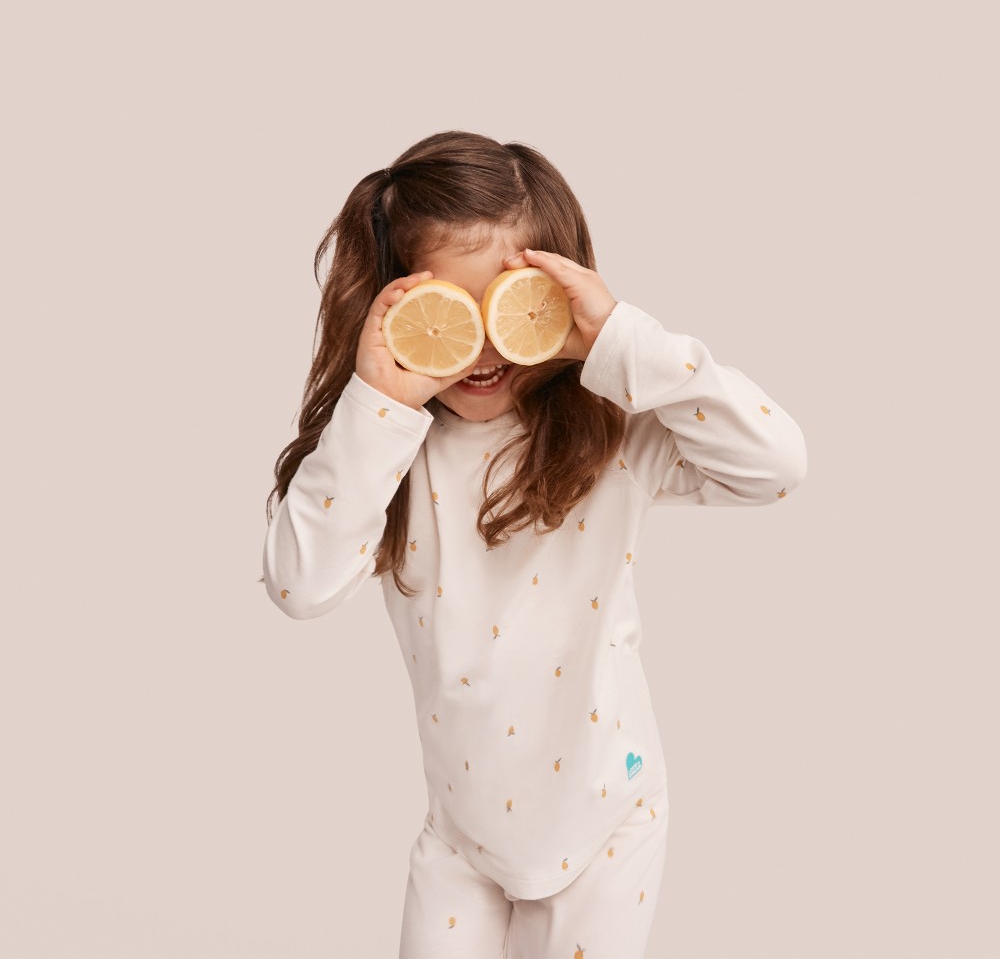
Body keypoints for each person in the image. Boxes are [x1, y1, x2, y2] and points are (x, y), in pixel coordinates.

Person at [261, 130, 807, 959]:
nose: (481, 348)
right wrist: (377, 402)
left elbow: (776, 464)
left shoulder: (609, 432)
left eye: (509, 304)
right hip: (461, 835)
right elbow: (301, 586)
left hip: (605, 819)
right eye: (449, 309)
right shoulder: (387, 447)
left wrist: (624, 340)